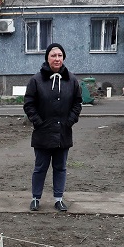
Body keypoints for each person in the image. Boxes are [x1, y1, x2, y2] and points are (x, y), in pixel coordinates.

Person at [22, 42, 82, 213]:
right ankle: (35, 198)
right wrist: (38, 122)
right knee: (40, 167)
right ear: (47, 58)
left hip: (63, 133)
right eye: (53, 55)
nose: (57, 59)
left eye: (60, 56)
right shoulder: (36, 80)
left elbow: (77, 103)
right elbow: (29, 104)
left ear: (63, 58)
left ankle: (59, 198)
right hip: (42, 133)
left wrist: (69, 121)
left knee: (60, 167)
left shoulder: (71, 80)